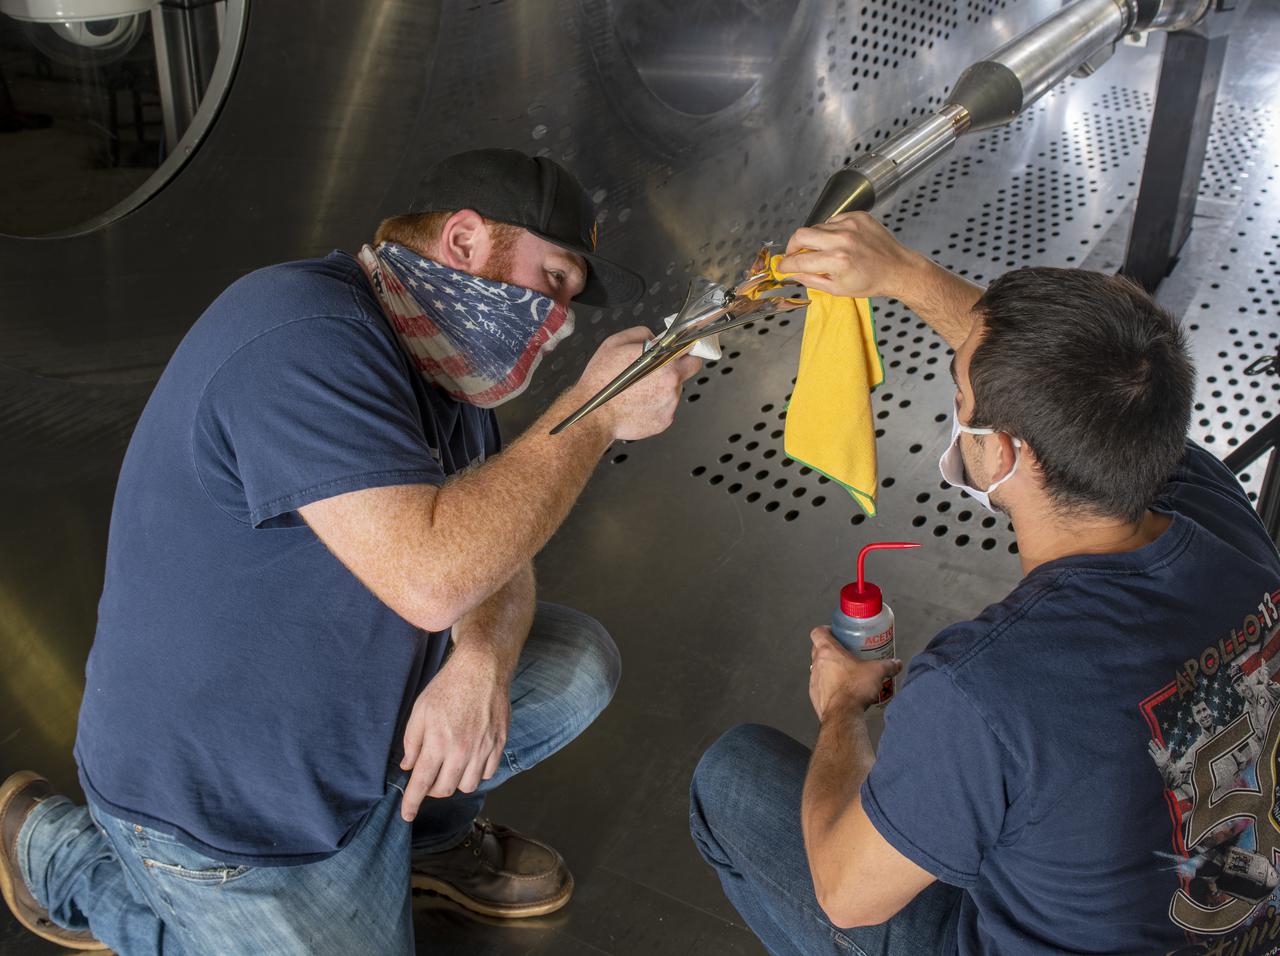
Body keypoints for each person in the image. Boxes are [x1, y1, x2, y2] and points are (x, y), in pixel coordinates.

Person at [0, 148, 699, 955]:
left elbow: (492, 555)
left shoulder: (446, 373)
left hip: (349, 731)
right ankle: (68, 858)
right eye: (553, 281)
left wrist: (479, 665)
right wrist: (596, 413)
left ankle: (424, 838)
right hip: (229, 813)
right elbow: (436, 579)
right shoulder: (301, 335)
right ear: (466, 243)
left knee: (573, 665)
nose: (558, 322)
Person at [689, 211, 1280, 954]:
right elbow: (1074, 376)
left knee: (733, 779)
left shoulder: (981, 687)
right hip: (1231, 916)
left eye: (960, 401)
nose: (957, 418)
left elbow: (845, 896)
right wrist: (902, 275)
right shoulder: (1211, 501)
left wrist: (841, 712)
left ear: (999, 451)